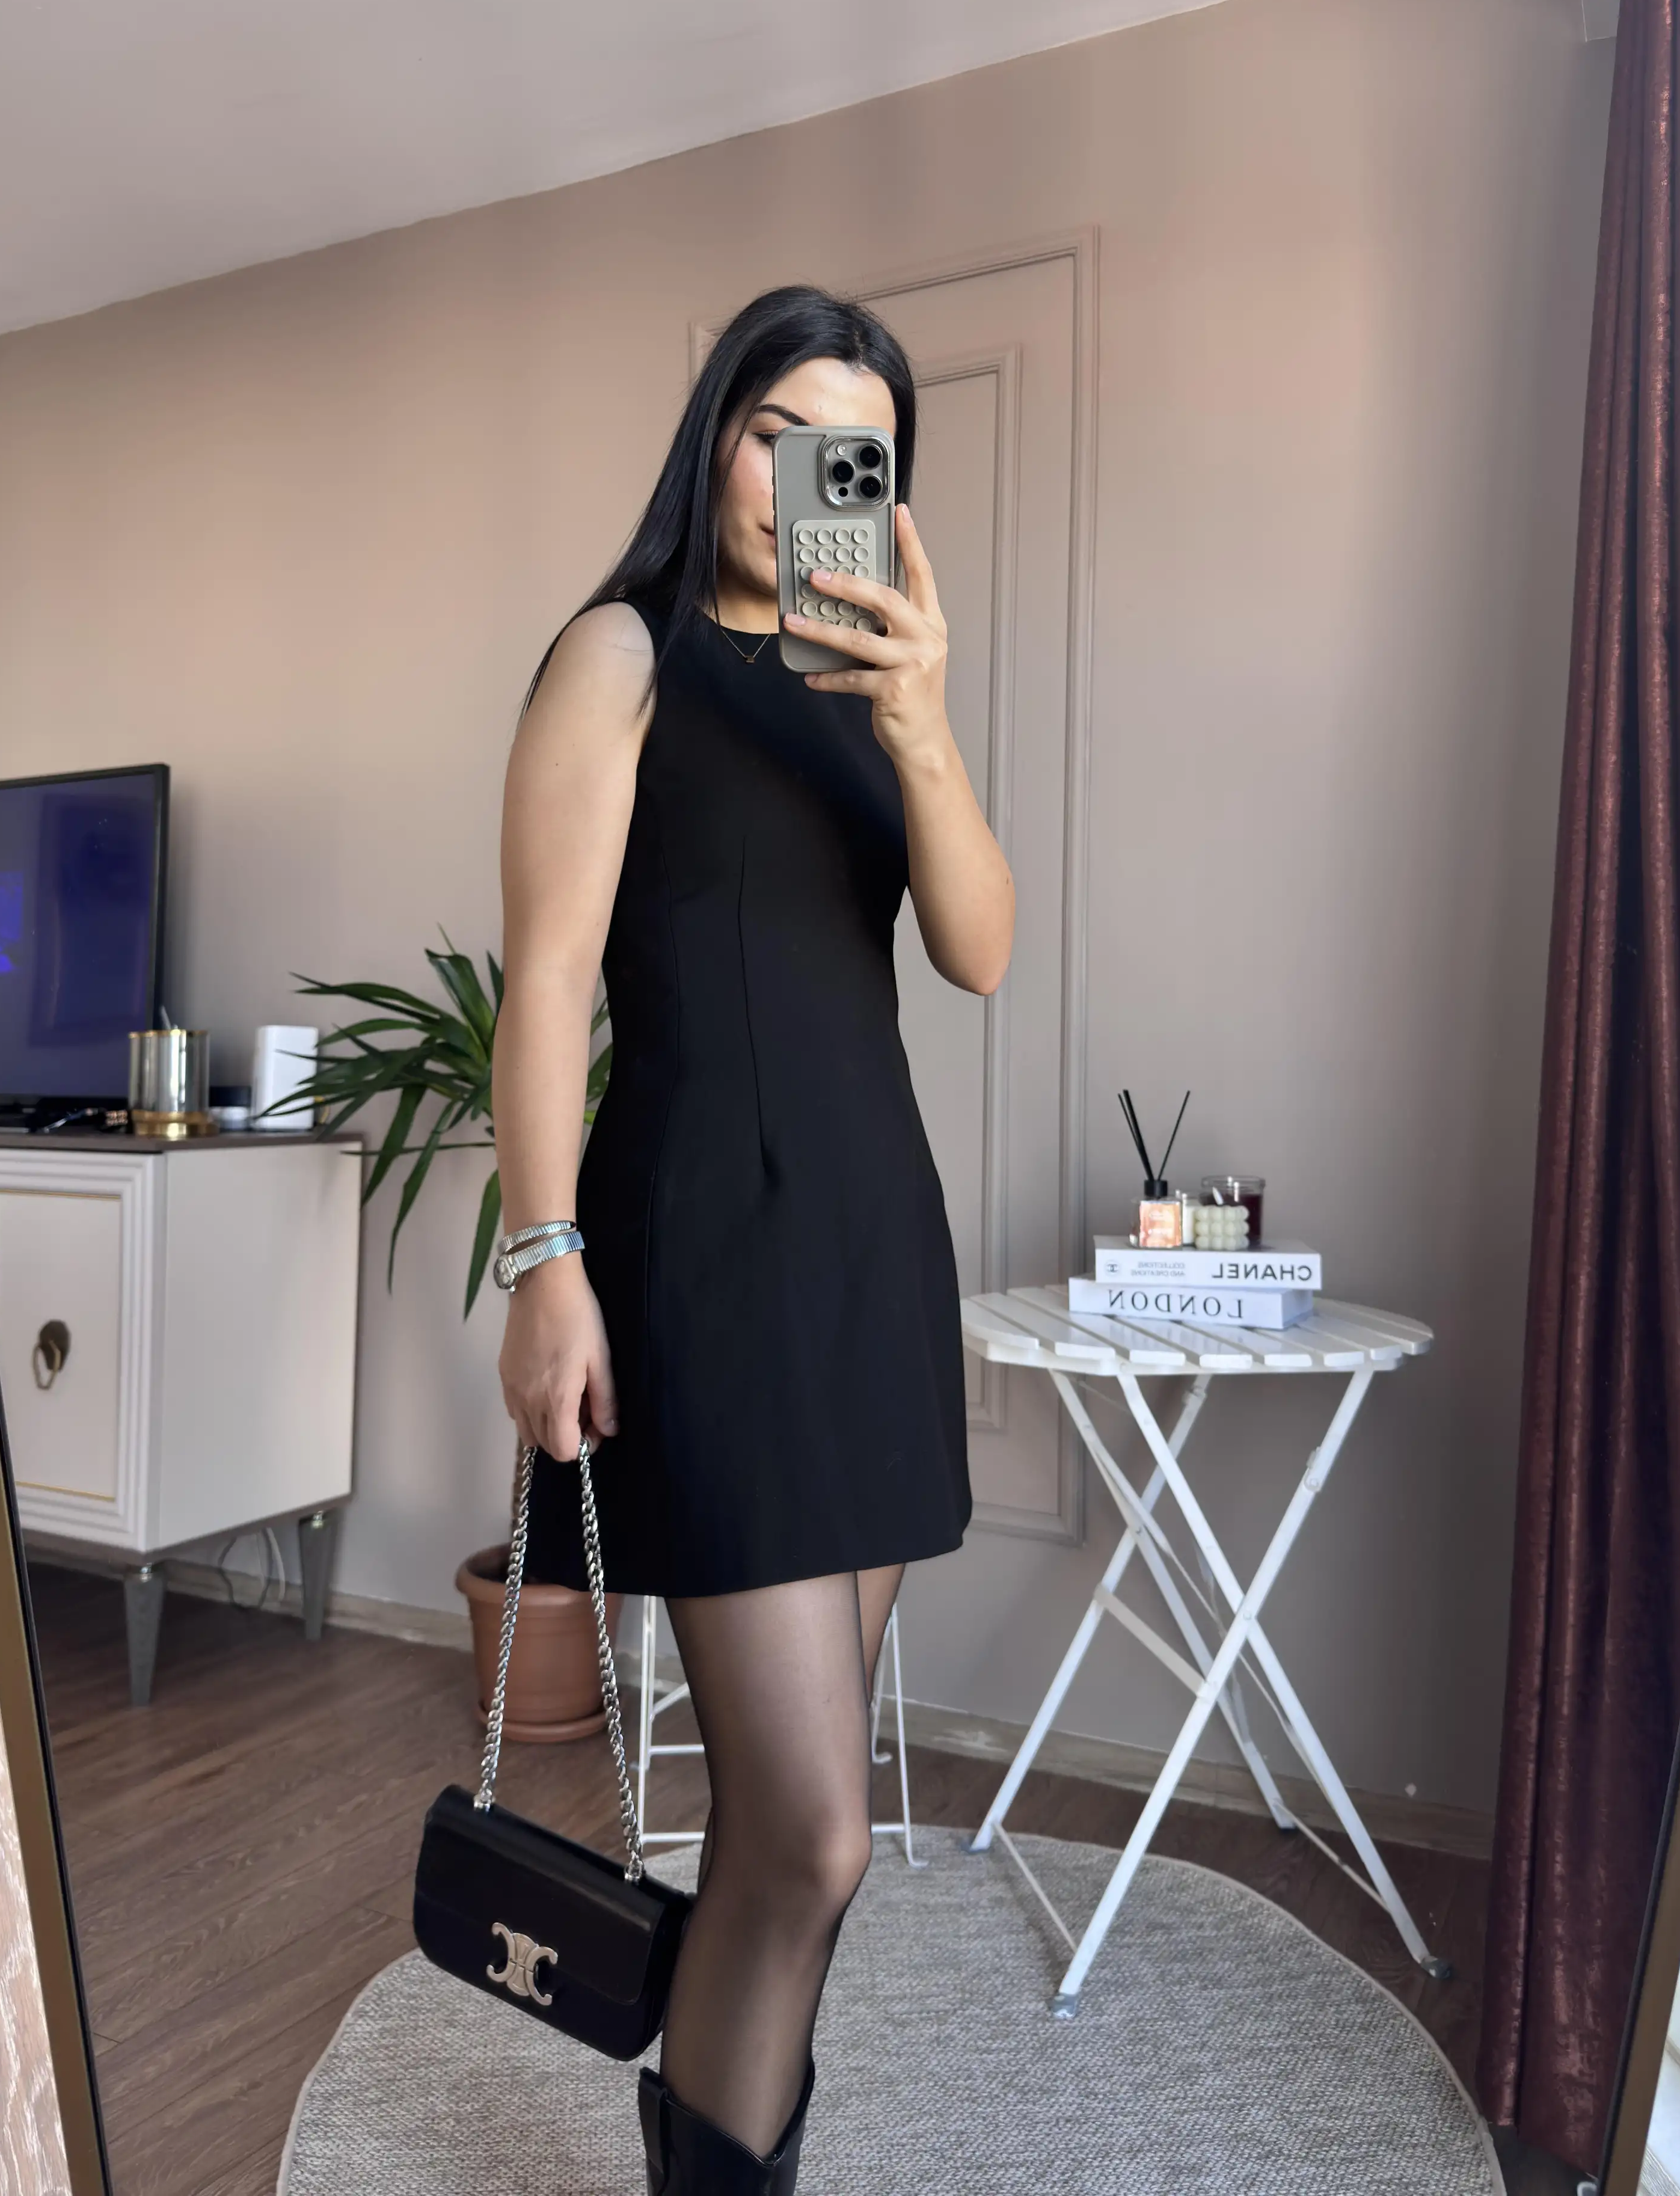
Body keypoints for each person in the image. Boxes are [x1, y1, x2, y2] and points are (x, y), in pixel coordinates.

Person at [489, 284, 1014, 2193]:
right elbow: (547, 980)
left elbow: (980, 950)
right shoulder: (620, 656)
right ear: (715, 434)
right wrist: (543, 1260)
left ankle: (721, 2149)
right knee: (813, 1833)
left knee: (791, 1840)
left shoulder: (871, 684)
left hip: (868, 1248)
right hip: (707, 1247)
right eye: (774, 430)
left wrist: (925, 724)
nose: (799, 474)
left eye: (847, 450)